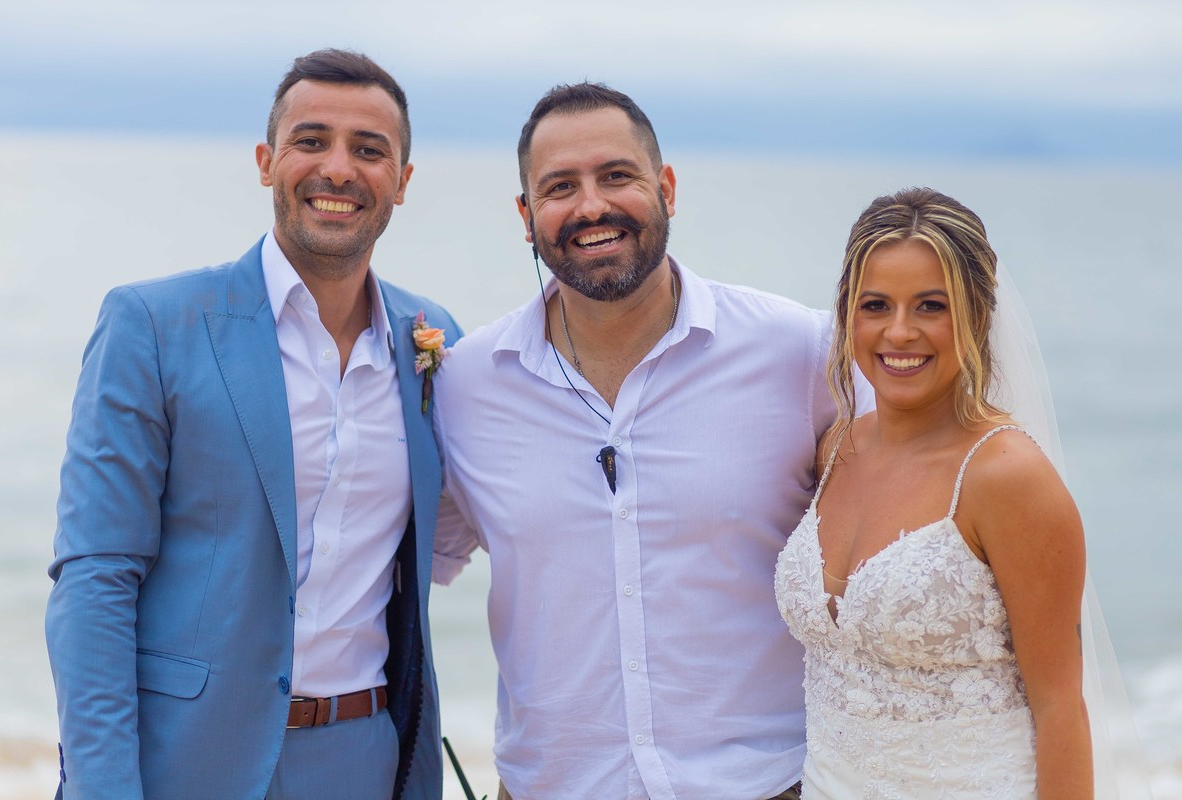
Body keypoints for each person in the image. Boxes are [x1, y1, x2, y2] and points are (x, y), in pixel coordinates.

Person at [45, 49, 460, 800]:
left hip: (364, 759)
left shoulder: (435, 342)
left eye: (369, 150)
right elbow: (96, 578)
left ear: (401, 181)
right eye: (311, 141)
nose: (338, 168)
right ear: (268, 161)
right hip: (184, 763)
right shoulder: (154, 324)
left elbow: (461, 529)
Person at [432, 82, 856, 799]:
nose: (592, 205)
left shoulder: (802, 352)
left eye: (617, 176)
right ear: (526, 214)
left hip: (770, 785)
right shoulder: (466, 385)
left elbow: (921, 515)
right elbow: (395, 568)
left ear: (666, 188)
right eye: (560, 186)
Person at [775, 187, 1093, 798]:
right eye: (875, 305)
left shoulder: (1007, 477)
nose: (899, 332)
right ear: (847, 313)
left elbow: (1060, 709)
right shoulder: (837, 447)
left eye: (930, 306)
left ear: (977, 315)